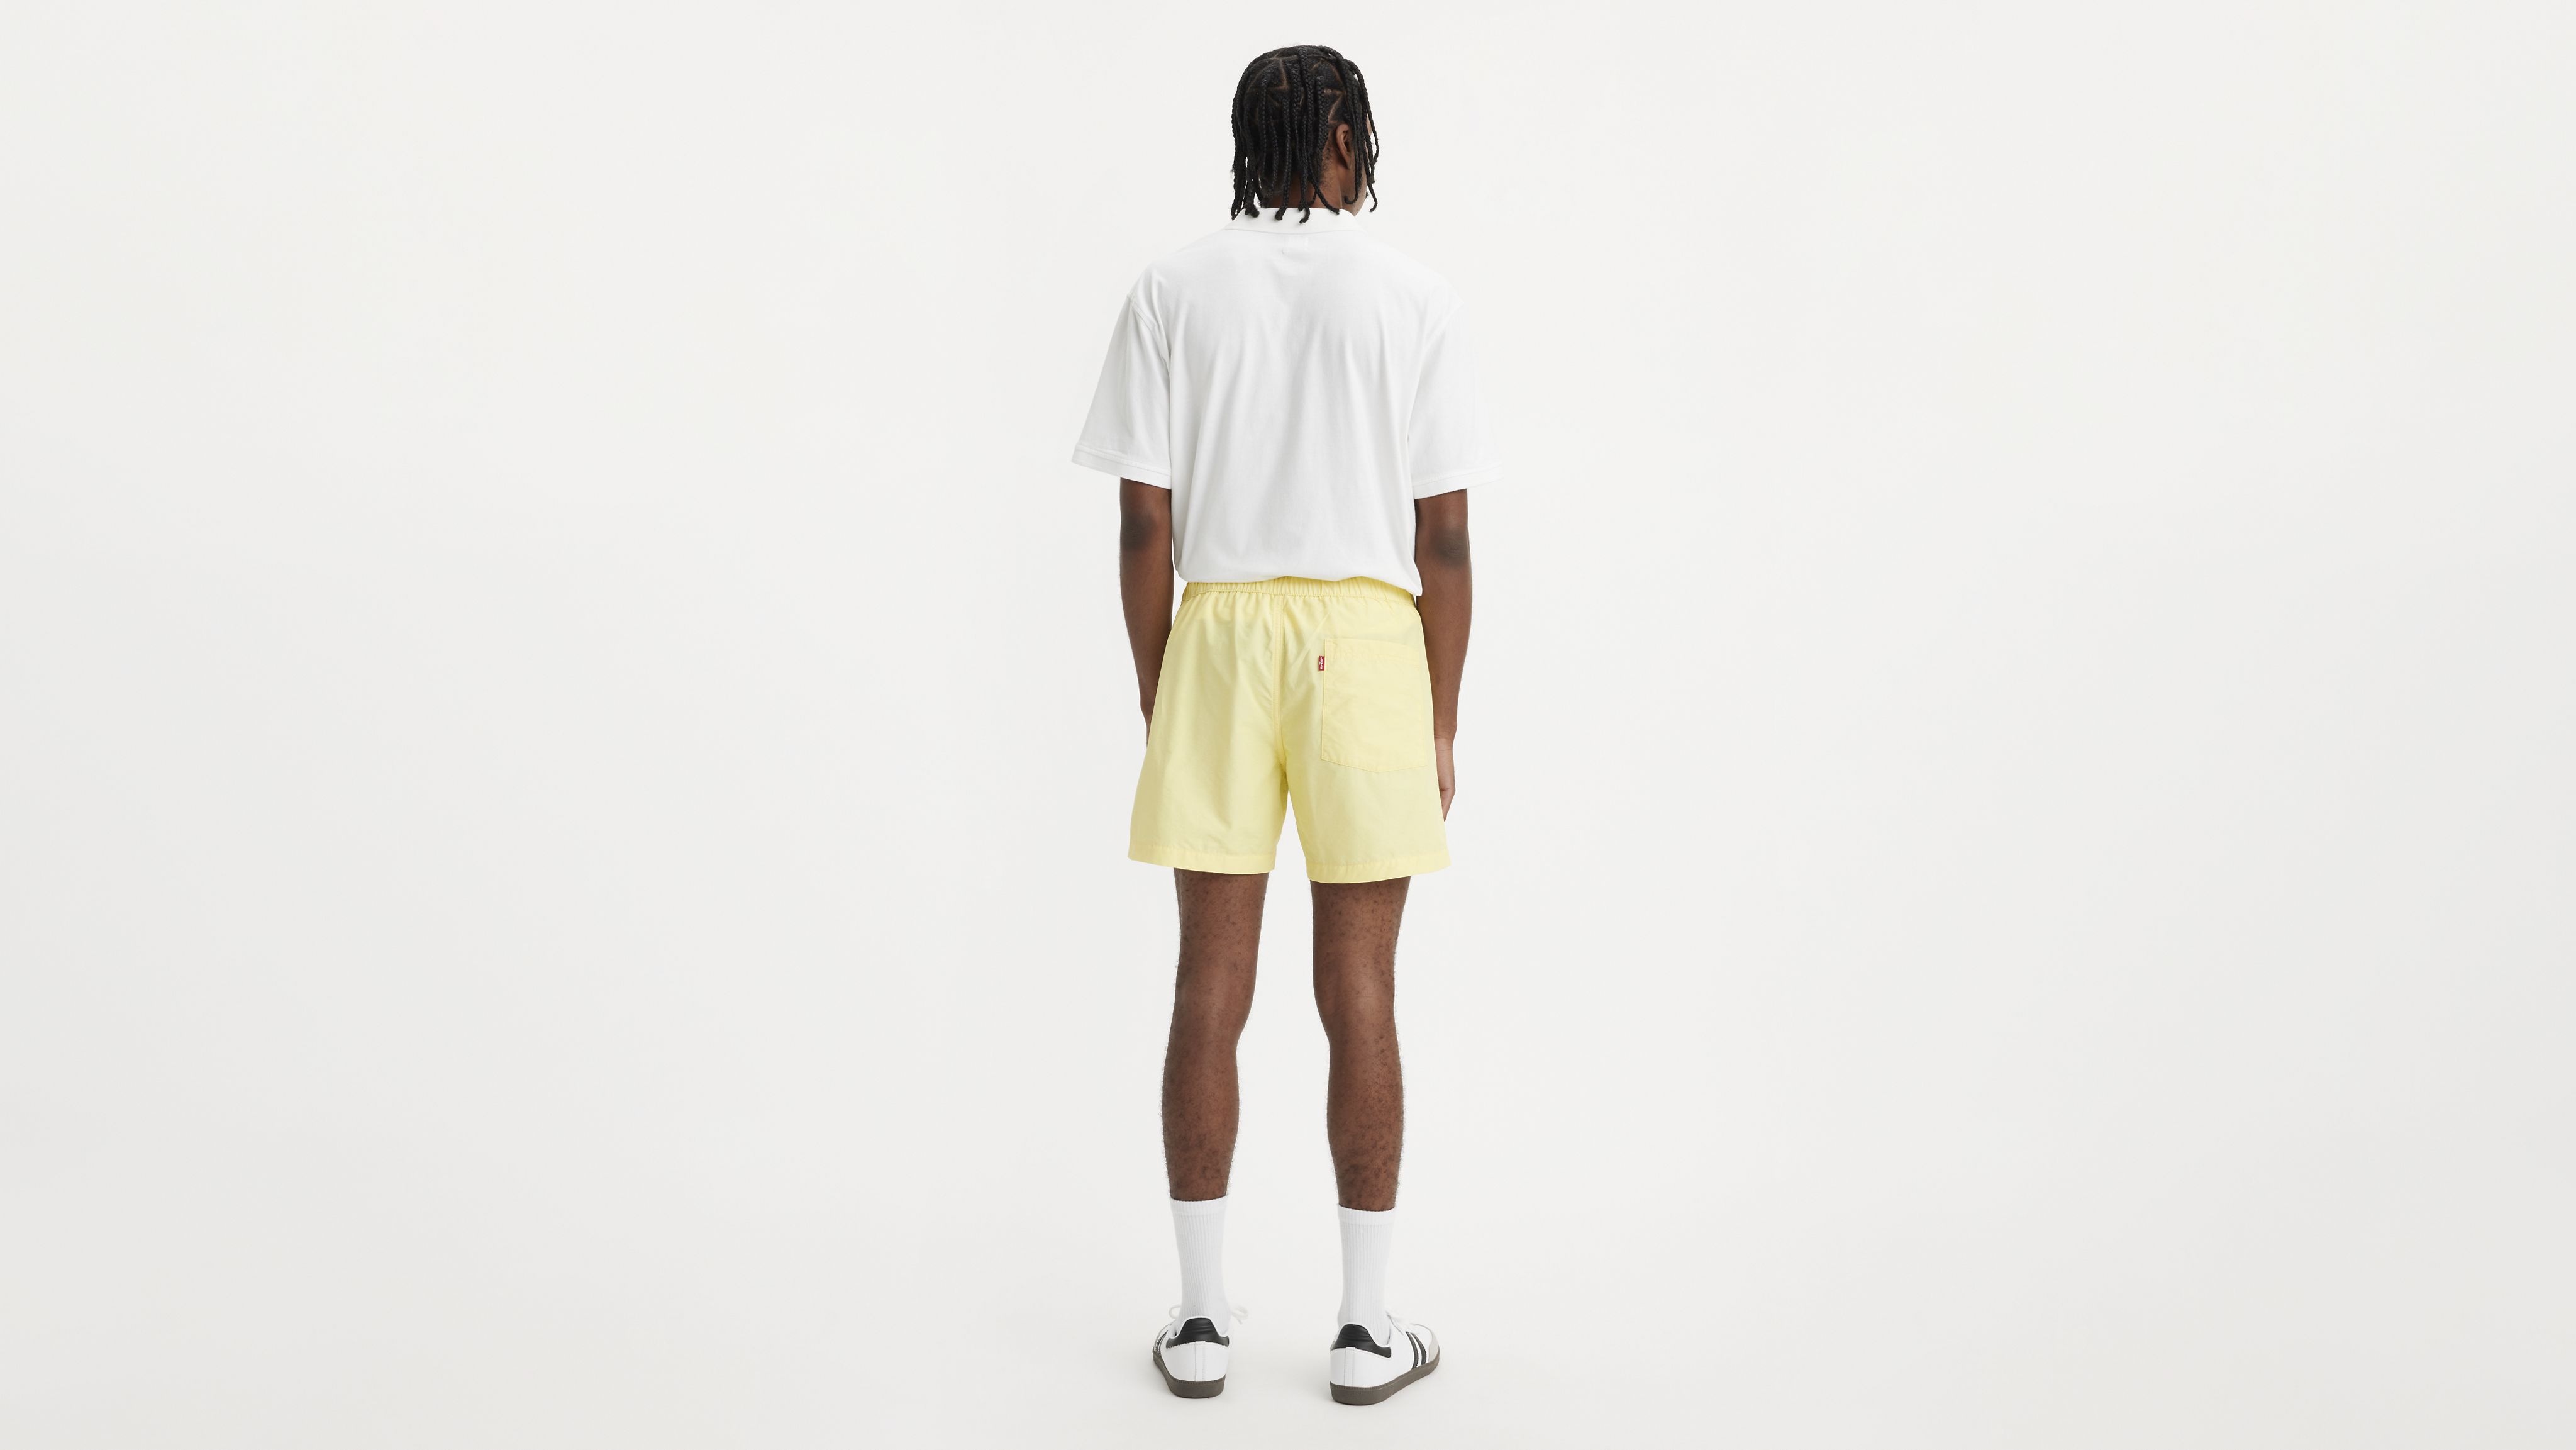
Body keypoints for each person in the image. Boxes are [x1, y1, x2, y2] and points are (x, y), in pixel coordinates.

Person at [1072, 43, 1497, 1405]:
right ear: (1349, 139)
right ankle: (1365, 1330)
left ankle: (1200, 1323)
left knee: (1210, 980)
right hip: (1366, 636)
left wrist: (1162, 681)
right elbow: (1445, 537)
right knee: (1359, 986)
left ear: (1246, 142)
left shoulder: (1171, 287)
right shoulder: (1414, 295)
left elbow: (1144, 521)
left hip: (1219, 622)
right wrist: (1441, 714)